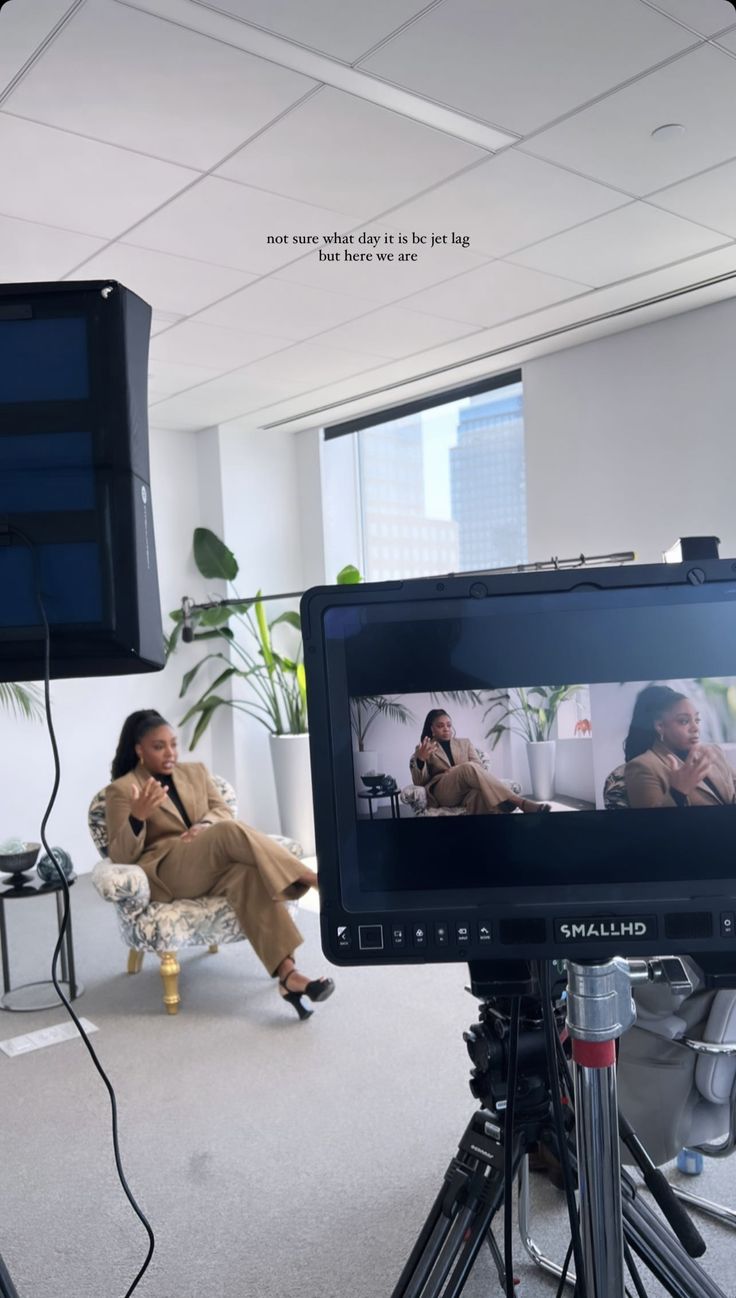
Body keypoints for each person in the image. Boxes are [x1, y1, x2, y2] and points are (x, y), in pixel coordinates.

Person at [105, 710, 335, 1019]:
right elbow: (121, 856)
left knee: (248, 874)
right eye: (159, 746)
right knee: (228, 832)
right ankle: (311, 878)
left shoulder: (196, 772)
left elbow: (222, 811)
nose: (170, 752)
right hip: (169, 874)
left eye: (173, 744)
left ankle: (289, 976)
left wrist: (204, 826)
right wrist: (138, 817)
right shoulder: (123, 789)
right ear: (139, 750)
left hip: (210, 863)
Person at [410, 709, 550, 814]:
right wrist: (421, 759)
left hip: (467, 791)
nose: (446, 728)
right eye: (440, 726)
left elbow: (479, 767)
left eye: (448, 725)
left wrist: (455, 770)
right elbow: (420, 782)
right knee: (467, 768)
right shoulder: (424, 748)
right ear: (432, 729)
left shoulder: (465, 743)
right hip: (444, 792)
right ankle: (520, 802)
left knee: (481, 796)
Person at [623, 685, 736, 808]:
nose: (696, 728)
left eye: (697, 720)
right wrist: (678, 792)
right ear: (660, 726)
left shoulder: (714, 751)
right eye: (684, 721)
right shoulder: (642, 767)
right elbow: (650, 824)